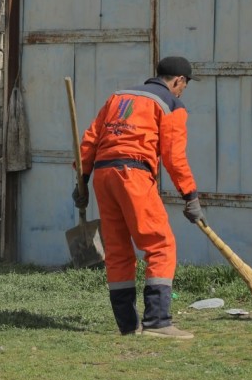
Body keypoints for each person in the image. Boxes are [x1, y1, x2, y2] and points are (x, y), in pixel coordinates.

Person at [73, 56, 206, 339]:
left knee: (119, 250)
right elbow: (174, 156)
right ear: (178, 81)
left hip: (104, 176)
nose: (183, 91)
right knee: (160, 244)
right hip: (133, 175)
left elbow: (90, 140)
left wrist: (82, 179)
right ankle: (158, 322)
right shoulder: (171, 104)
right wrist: (190, 195)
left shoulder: (118, 97)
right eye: (185, 86)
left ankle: (128, 325)